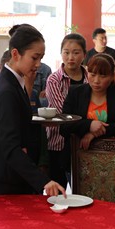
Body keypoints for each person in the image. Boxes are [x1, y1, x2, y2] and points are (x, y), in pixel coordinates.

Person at [0, 24, 65, 197]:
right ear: (15, 54)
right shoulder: (6, 90)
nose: (38, 64)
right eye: (34, 58)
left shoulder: (15, 82)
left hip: (15, 172)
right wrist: (43, 181)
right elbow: (10, 146)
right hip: (7, 176)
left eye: (41, 58)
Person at [60, 53, 115, 150]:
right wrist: (89, 125)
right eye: (92, 75)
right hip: (79, 152)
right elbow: (64, 126)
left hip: (113, 152)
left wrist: (95, 133)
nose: (96, 81)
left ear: (111, 76)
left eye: (103, 76)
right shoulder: (76, 92)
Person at [44, 33, 88, 186]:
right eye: (66, 52)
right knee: (58, 190)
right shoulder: (54, 79)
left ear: (84, 54)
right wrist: (88, 120)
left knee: (83, 189)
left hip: (85, 143)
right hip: (58, 142)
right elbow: (63, 112)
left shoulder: (90, 78)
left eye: (76, 52)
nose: (71, 57)